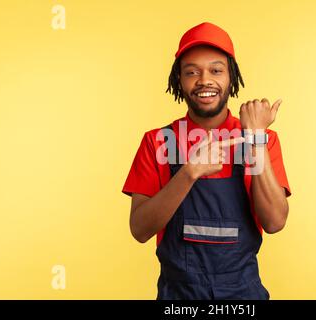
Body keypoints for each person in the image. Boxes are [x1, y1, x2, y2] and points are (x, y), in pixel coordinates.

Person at [122, 22, 292, 300]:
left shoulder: (261, 139)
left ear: (231, 77)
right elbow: (140, 229)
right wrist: (189, 172)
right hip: (178, 297)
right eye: (191, 72)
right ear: (178, 79)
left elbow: (274, 222)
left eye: (216, 70)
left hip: (243, 297)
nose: (204, 80)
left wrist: (255, 137)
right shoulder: (157, 142)